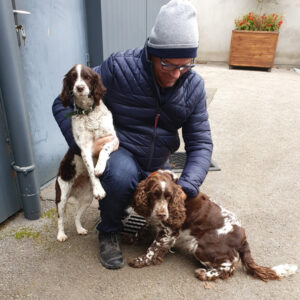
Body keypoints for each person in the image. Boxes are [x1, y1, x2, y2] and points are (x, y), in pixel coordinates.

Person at [52, 0, 213, 269]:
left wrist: (187, 186)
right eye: (168, 65)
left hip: (158, 161)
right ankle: (110, 229)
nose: (176, 74)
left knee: (180, 192)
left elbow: (201, 144)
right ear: (152, 51)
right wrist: (82, 146)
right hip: (120, 150)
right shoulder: (119, 67)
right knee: (121, 175)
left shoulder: (193, 86)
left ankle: (129, 204)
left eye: (185, 65)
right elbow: (61, 104)